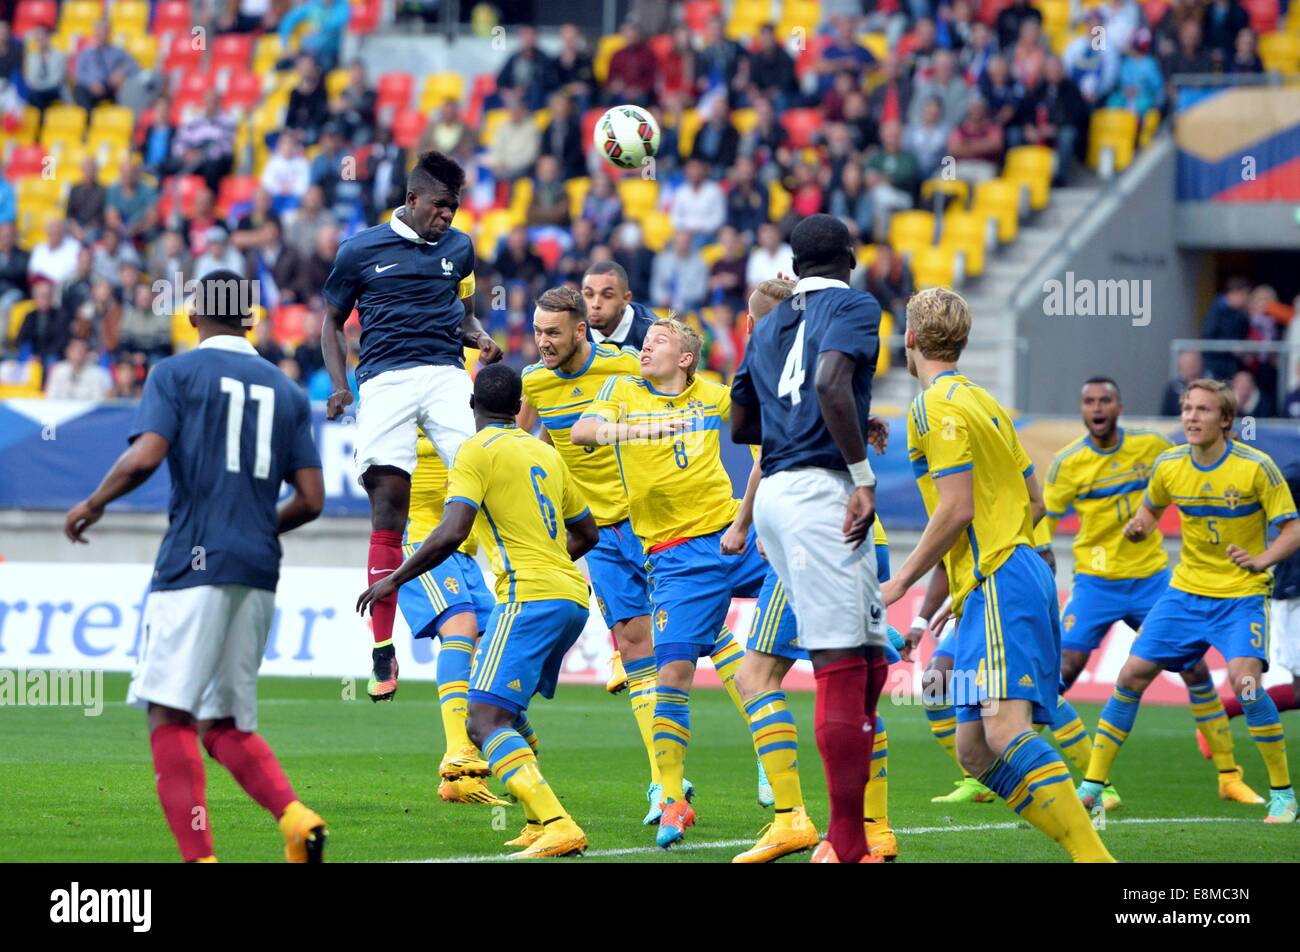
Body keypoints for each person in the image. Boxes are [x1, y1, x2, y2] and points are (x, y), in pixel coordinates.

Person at [62, 270, 328, 862]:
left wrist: (93, 502)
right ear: (252, 319)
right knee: (225, 721)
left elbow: (146, 455)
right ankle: (294, 817)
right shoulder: (286, 392)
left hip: (192, 564)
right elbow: (311, 499)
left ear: (192, 316)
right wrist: (255, 527)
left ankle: (200, 858)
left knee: (170, 713)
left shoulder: (175, 374)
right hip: (259, 569)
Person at [885, 286, 1114, 862]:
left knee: (1007, 730)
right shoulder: (986, 403)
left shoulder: (932, 406)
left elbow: (956, 509)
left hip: (1001, 581)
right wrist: (958, 580)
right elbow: (1033, 501)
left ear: (909, 338)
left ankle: (1093, 856)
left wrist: (901, 583)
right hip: (1007, 574)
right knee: (975, 752)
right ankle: (1085, 842)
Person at [357, 363, 599, 858]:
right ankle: (535, 819)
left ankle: (556, 820)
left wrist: (394, 579)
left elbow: (451, 531)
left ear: (471, 406)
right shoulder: (544, 452)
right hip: (572, 597)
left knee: (483, 719)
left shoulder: (473, 450)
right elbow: (588, 533)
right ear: (518, 408)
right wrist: (553, 568)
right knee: (507, 709)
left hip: (529, 596)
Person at [728, 215, 892, 863]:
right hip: (821, 492)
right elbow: (828, 380)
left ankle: (852, 832)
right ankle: (846, 844)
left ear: (794, 265)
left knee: (869, 657)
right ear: (849, 258)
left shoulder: (766, 325)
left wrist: (797, 423)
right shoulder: (856, 304)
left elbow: (743, 419)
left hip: (775, 494)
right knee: (841, 665)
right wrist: (861, 476)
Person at [571, 318, 770, 849]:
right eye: (645, 339)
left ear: (686, 358)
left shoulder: (711, 394)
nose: (645, 347)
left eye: (658, 340)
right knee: (674, 672)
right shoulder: (623, 390)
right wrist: (637, 432)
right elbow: (582, 433)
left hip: (730, 533)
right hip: (675, 555)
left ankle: (773, 762)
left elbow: (766, 417)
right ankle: (671, 800)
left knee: (805, 561)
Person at [321, 150, 501, 701]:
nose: (447, 217)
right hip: (383, 380)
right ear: (412, 200)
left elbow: (463, 311)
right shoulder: (360, 250)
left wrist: (479, 338)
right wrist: (338, 385)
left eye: (455, 208)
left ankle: (522, 594)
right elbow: (330, 321)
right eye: (441, 207)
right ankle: (382, 649)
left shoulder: (460, 249)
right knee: (388, 504)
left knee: (487, 476)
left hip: (447, 374)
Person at [1079, 379, 1300, 824]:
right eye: (1186, 408)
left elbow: (1292, 530)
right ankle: (1091, 786)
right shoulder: (1169, 465)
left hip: (1239, 595)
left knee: (1246, 684)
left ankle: (1283, 794)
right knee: (1131, 675)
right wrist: (1139, 527)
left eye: (1202, 410)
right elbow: (1150, 509)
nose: (1191, 417)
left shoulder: (1257, 468)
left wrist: (1260, 562)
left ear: (1225, 420)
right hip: (1184, 594)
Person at [1044, 377, 1260, 809]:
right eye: (1089, 401)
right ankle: (1036, 769)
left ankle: (1229, 776)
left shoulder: (1152, 447)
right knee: (1060, 670)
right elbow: (1043, 518)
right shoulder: (1068, 462)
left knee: (1195, 670)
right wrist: (1040, 554)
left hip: (1152, 580)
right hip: (1094, 582)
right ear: (1082, 409)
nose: (1097, 407)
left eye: (1105, 399)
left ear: (1119, 406)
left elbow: (1196, 462)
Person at [518, 286, 686, 820]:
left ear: (580, 331)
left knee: (707, 638)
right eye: (537, 331)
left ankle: (765, 765)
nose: (542, 342)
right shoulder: (534, 381)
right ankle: (665, 784)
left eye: (553, 332)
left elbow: (674, 401)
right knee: (636, 646)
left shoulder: (622, 364)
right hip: (601, 535)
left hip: (652, 519)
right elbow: (523, 443)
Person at [394, 434, 503, 806]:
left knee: (494, 652)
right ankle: (458, 753)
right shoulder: (407, 403)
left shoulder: (464, 400)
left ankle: (465, 778)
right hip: (425, 543)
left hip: (465, 553)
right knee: (461, 628)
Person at [580, 259, 655, 353]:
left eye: (607, 295)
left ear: (625, 299)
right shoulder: (572, 329)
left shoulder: (651, 333)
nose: (595, 304)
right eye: (589, 294)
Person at [72, 20, 137, 110]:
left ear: (109, 33)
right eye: (99, 31)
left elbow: (134, 66)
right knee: (79, 90)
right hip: (90, 88)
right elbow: (79, 74)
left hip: (109, 87)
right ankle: (88, 119)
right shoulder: (85, 53)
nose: (101, 35)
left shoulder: (117, 51)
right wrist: (91, 83)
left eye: (104, 31)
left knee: (127, 88)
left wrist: (121, 73)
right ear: (95, 33)